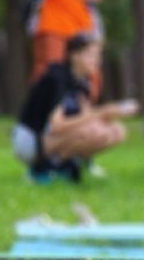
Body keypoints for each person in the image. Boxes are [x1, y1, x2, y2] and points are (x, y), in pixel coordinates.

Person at [11, 34, 135, 182]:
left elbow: (86, 116)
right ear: (74, 55)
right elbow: (57, 125)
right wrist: (101, 112)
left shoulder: (82, 81)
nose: (96, 60)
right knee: (91, 131)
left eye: (97, 56)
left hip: (52, 137)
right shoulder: (57, 78)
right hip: (30, 139)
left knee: (116, 131)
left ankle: (65, 165)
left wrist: (112, 113)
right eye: (90, 55)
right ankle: (42, 169)